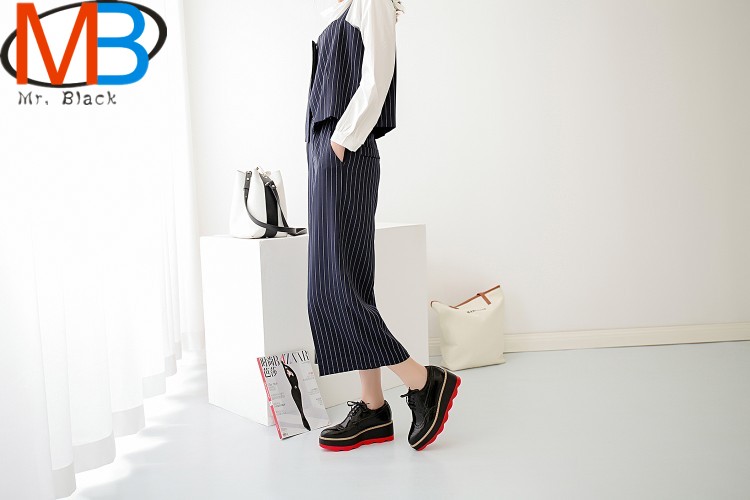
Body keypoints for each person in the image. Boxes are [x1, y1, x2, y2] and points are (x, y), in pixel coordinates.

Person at [305, 0, 461, 452]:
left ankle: (423, 381)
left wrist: (340, 141)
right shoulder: (336, 12)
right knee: (346, 286)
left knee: (337, 289)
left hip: (343, 154)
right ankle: (373, 407)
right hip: (326, 154)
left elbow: (377, 76)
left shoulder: (370, 3)